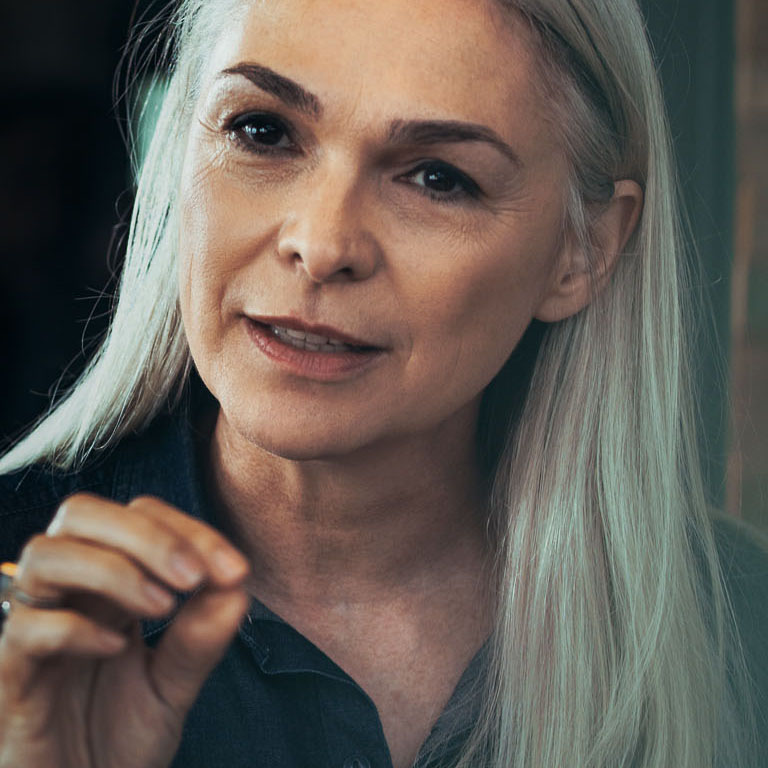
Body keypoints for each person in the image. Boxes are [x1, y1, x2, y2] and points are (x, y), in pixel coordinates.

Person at [0, 0, 766, 766]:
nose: (322, 243)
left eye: (438, 178)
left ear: (584, 251)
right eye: (262, 131)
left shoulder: (743, 623)